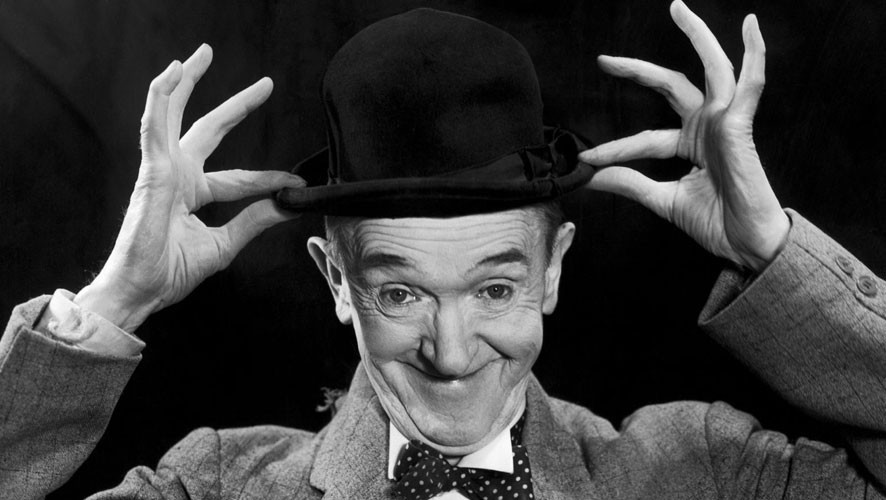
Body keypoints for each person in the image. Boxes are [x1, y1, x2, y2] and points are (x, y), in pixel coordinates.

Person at [1, 1, 884, 499]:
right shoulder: (215, 486)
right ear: (336, 281)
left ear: (553, 269)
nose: (453, 354)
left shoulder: (702, 470)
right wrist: (119, 299)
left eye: (495, 290)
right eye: (401, 293)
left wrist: (773, 252)